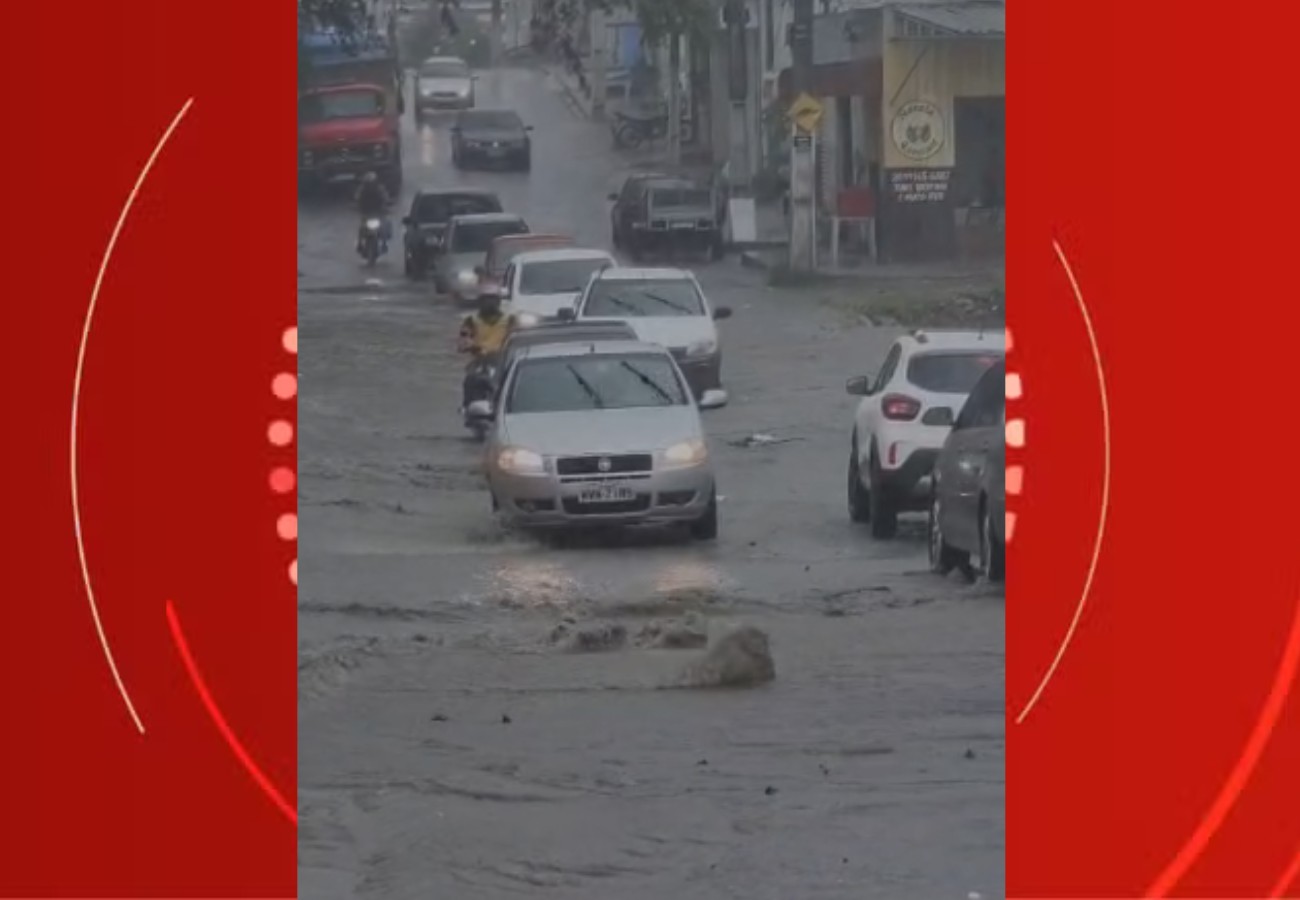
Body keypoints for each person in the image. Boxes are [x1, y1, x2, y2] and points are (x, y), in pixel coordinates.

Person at [458, 294, 517, 408]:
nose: (489, 303)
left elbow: (516, 336)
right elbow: (463, 339)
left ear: (499, 302)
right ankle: (466, 407)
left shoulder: (510, 320)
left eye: (493, 299)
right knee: (469, 380)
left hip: (502, 360)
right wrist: (468, 345)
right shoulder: (471, 320)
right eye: (486, 300)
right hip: (479, 360)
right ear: (480, 302)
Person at [354, 171, 392, 251]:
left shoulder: (380, 189)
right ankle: (360, 243)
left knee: (385, 226)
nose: (370, 185)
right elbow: (357, 198)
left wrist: (386, 206)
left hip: (378, 212)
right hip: (366, 213)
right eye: (368, 184)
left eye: (372, 183)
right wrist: (356, 207)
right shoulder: (362, 190)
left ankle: (384, 243)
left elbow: (385, 197)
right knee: (362, 228)